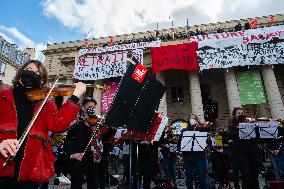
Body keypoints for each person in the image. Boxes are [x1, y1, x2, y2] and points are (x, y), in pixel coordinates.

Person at [0, 60, 86, 189]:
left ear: (41, 80)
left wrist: (74, 97)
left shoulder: (45, 102)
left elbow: (58, 125)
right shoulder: (3, 96)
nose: (32, 74)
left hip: (29, 170)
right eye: (29, 69)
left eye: (37, 73)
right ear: (21, 72)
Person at [64, 97, 103, 189]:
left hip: (93, 158)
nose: (91, 109)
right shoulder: (77, 123)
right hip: (79, 158)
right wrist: (72, 154)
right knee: (76, 184)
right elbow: (67, 140)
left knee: (93, 184)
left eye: (93, 108)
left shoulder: (96, 124)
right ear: (83, 108)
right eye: (89, 107)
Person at [228, 107, 261, 189]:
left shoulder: (251, 124)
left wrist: (254, 125)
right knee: (246, 175)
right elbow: (232, 136)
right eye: (239, 113)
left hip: (253, 152)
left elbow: (258, 136)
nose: (241, 115)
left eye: (242, 113)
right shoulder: (232, 126)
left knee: (255, 174)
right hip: (241, 154)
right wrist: (241, 128)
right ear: (235, 116)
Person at [178, 114, 208, 189]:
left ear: (197, 120)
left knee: (201, 176)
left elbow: (207, 142)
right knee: (189, 177)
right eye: (191, 118)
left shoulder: (202, 129)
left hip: (199, 156)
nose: (192, 120)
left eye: (194, 119)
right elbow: (179, 145)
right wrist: (181, 148)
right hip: (187, 156)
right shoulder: (184, 131)